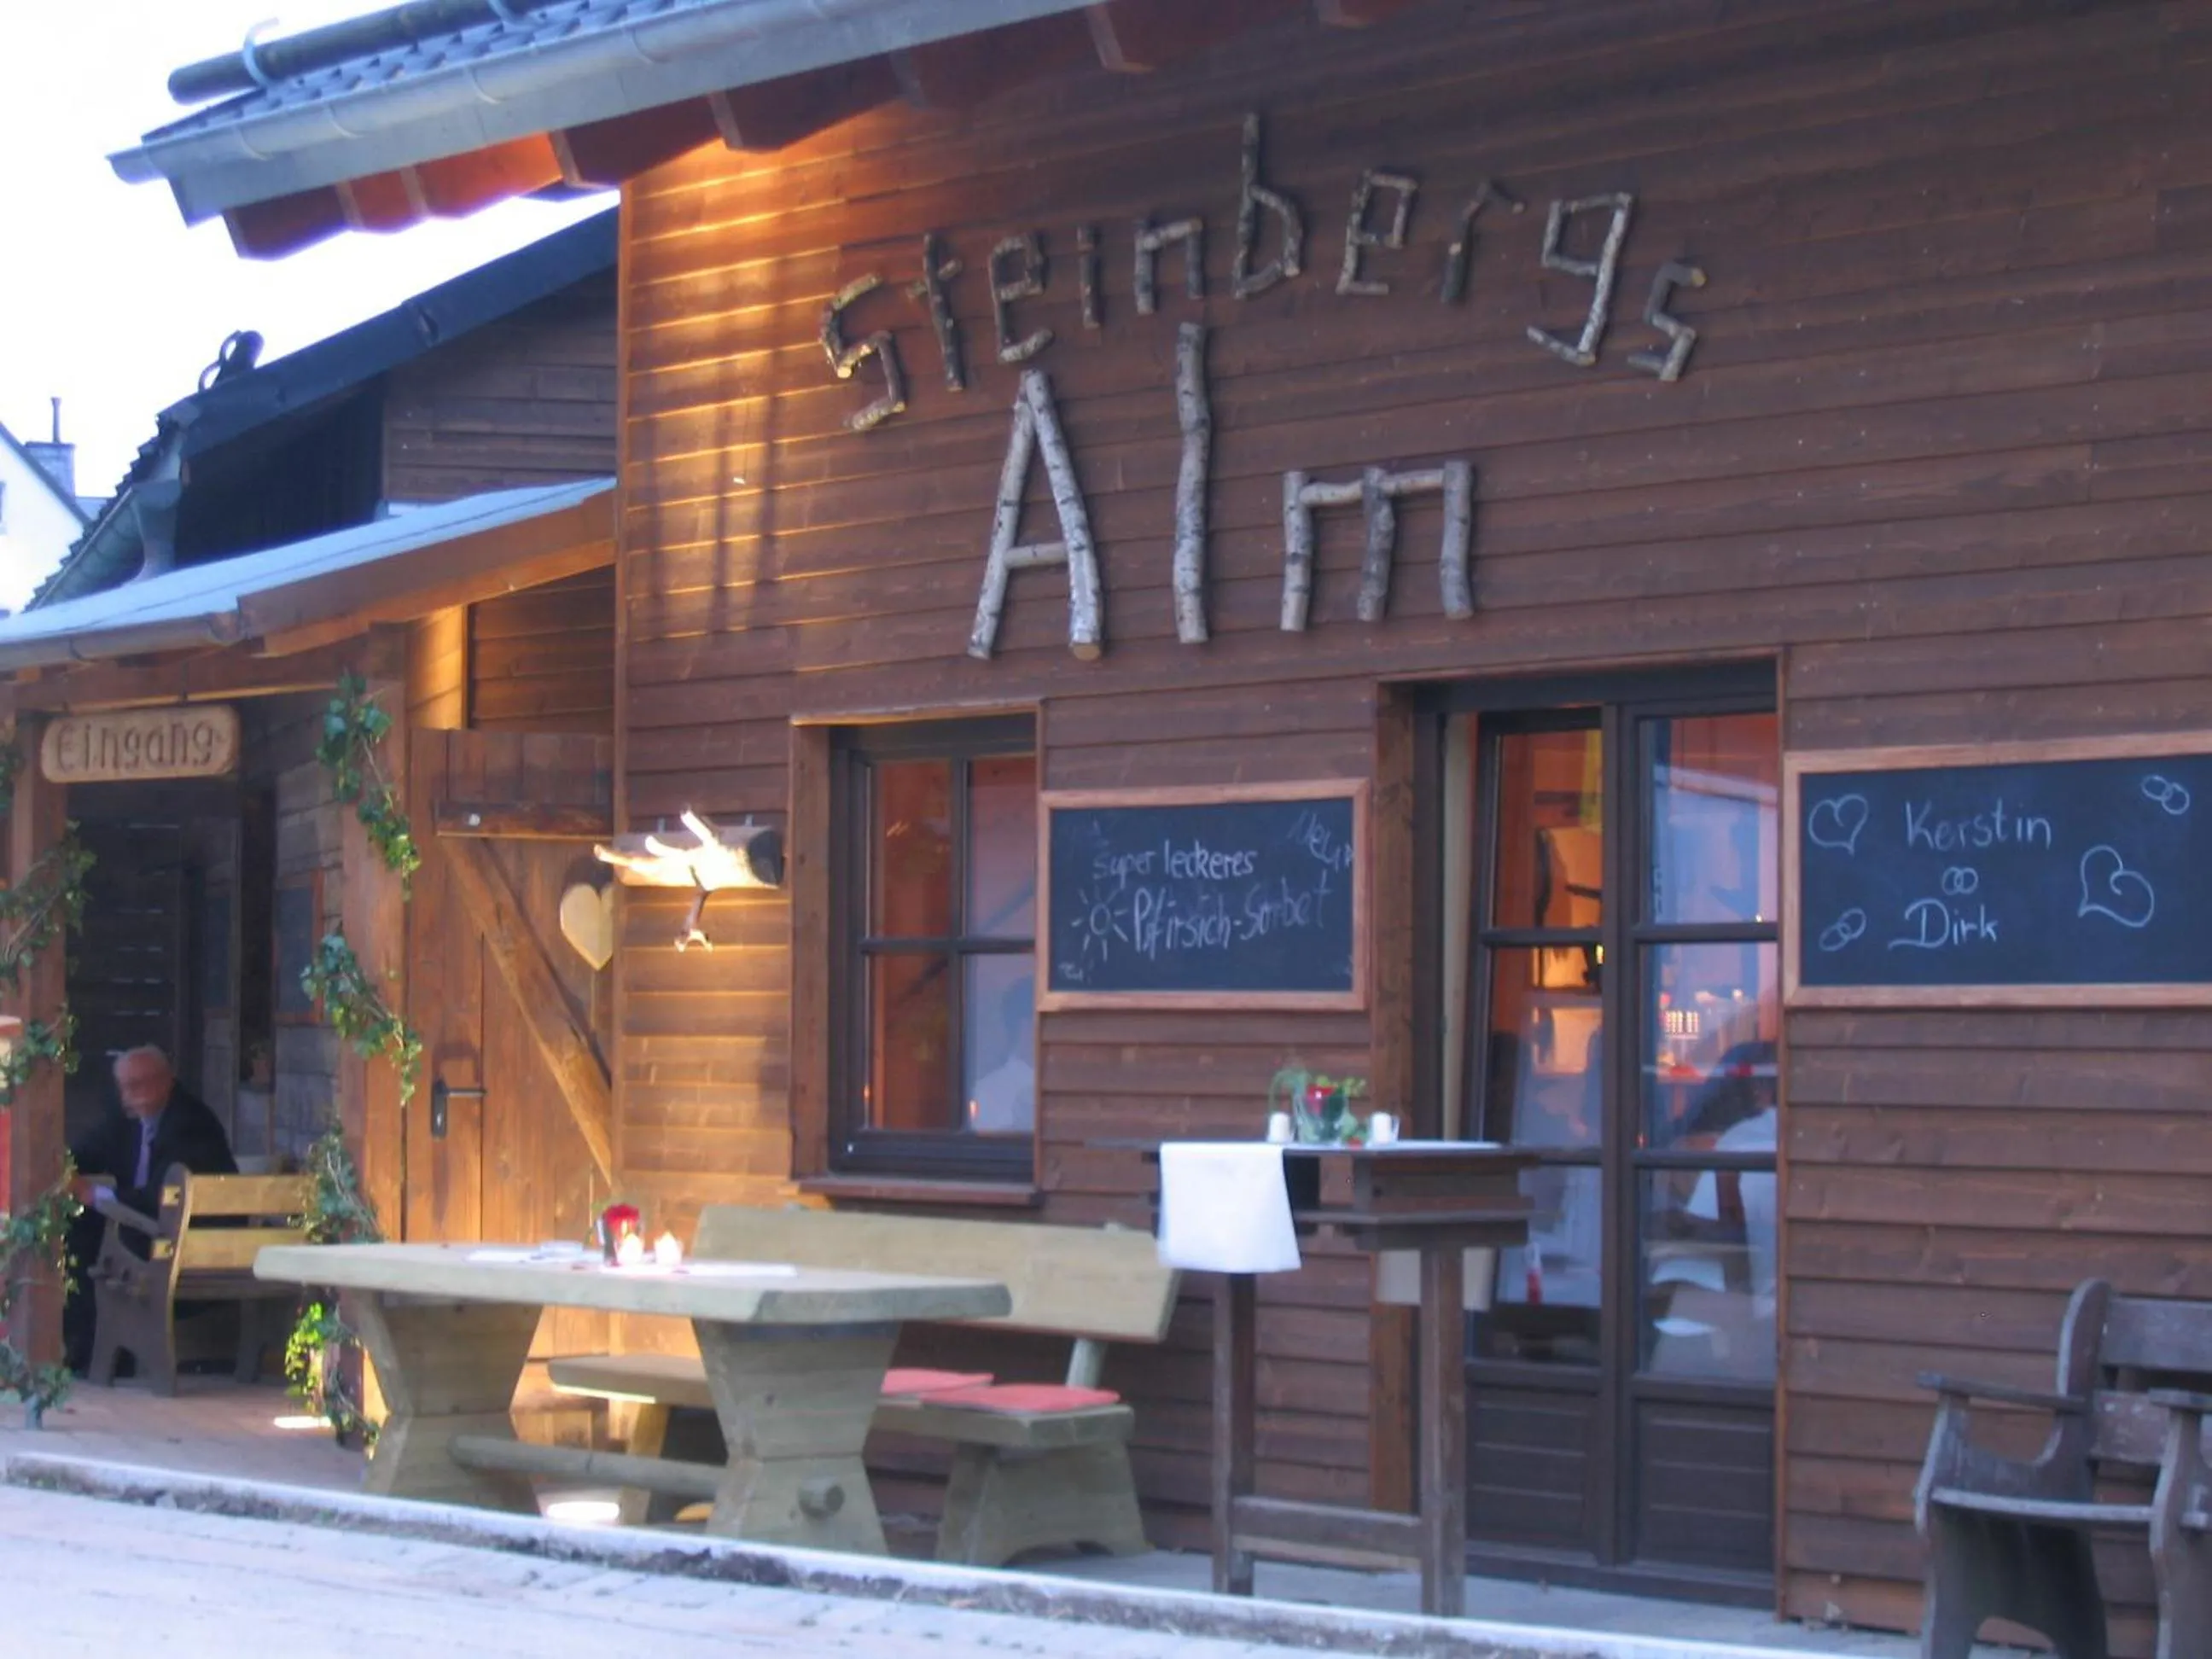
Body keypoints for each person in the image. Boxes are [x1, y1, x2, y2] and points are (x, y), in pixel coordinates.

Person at [62, 1046, 237, 1375]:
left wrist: (92, 1193)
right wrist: (63, 1169)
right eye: (127, 1086)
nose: (132, 1094)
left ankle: (98, 1354)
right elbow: (87, 1150)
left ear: (167, 1081)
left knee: (90, 1243)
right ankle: (84, 1347)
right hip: (151, 1233)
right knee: (76, 1230)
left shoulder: (190, 1123)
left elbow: (160, 1201)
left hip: (186, 1245)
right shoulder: (128, 1118)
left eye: (142, 1084)